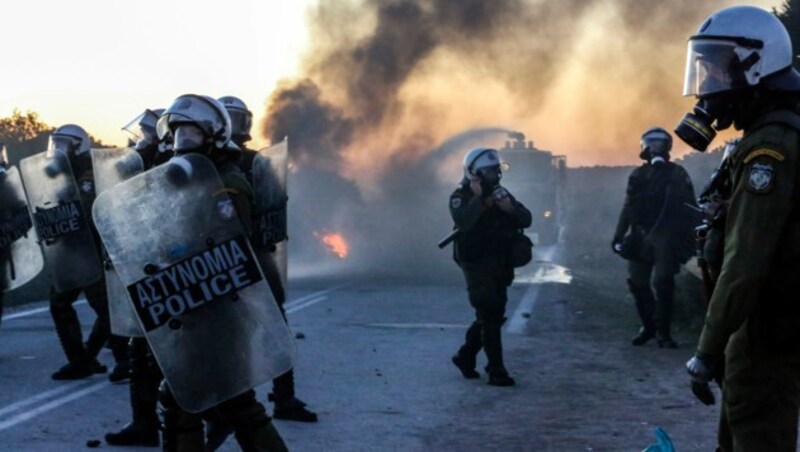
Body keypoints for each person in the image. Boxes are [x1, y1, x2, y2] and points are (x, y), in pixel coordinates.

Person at [677, 6, 800, 450]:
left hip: (765, 329)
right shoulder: (770, 133)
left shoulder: (770, 147)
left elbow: (745, 262)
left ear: (756, 64)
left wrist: (707, 352)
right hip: (771, 321)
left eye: (716, 69)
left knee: (756, 427)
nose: (707, 86)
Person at [154, 94, 288, 451]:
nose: (181, 144)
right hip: (200, 302)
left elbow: (230, 247)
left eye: (191, 135)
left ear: (213, 135)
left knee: (197, 398)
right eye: (177, 134)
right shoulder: (196, 179)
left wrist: (184, 252)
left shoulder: (226, 183)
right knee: (221, 401)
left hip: (221, 308)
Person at [218, 95, 318, 423]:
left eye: (237, 118)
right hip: (222, 262)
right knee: (233, 336)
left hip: (255, 257)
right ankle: (240, 402)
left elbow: (275, 206)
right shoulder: (203, 166)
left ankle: (281, 398)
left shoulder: (258, 162)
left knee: (273, 329)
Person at [40, 125, 127, 380]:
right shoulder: (58, 175)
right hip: (70, 252)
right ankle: (80, 361)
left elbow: (85, 209)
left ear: (79, 146)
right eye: (55, 144)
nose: (58, 150)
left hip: (90, 251)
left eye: (64, 145)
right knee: (60, 303)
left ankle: (124, 360)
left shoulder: (87, 174)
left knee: (105, 307)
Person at [104, 109, 168, 447]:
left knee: (173, 354)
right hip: (141, 262)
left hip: (170, 267)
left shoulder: (172, 162)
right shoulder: (141, 159)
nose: (141, 137)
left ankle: (218, 418)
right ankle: (143, 424)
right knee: (140, 350)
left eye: (146, 131)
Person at [449, 147, 531, 387]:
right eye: (489, 171)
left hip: (500, 261)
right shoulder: (460, 196)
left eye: (497, 170)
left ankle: (465, 356)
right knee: (489, 312)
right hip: (475, 262)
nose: (495, 175)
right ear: (474, 173)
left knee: (493, 315)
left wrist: (509, 209)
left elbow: (526, 218)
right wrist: (479, 199)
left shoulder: (501, 194)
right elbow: (463, 221)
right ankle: (496, 370)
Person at [611, 127, 696, 348]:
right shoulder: (637, 175)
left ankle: (663, 332)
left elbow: (689, 206)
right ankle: (649, 326)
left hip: (666, 237)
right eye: (651, 143)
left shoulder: (677, 173)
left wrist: (688, 237)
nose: (655, 147)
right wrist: (618, 235)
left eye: (659, 143)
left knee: (663, 283)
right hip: (640, 236)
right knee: (638, 282)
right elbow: (628, 207)